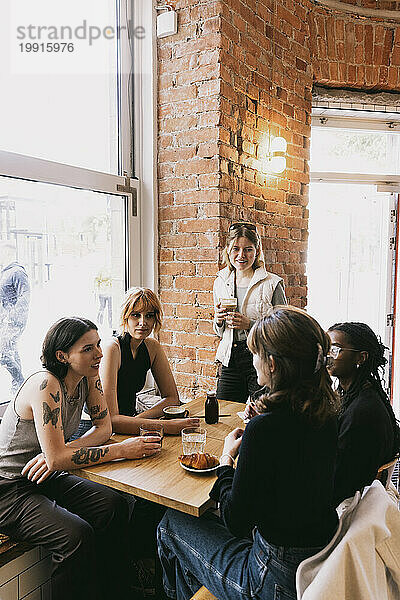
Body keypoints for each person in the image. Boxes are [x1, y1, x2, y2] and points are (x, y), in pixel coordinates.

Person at [158, 306, 340, 600]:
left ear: (271, 363)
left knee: (171, 522)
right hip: (315, 561)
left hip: (270, 578)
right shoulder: (325, 413)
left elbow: (235, 520)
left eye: (254, 353)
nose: (250, 361)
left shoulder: (266, 430)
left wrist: (226, 463)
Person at [0, 317, 162, 600]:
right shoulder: (46, 384)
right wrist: (121, 450)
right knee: (75, 536)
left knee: (114, 504)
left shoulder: (89, 377)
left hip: (45, 476)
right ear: (62, 356)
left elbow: (104, 428)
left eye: (98, 345)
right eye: (88, 349)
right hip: (9, 489)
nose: (99, 353)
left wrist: (60, 453)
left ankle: (115, 592)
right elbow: (60, 457)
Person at [100, 287, 199, 435]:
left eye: (149, 316)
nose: (143, 322)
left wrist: (138, 421)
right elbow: (112, 420)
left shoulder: (152, 347)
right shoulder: (112, 348)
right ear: (125, 317)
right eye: (135, 315)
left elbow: (172, 398)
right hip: (97, 428)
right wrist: (164, 426)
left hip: (129, 423)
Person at [327, 321, 400, 506]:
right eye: (326, 349)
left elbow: (339, 483)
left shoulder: (362, 412)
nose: (328, 357)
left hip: (349, 504)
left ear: (361, 358)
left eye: (335, 350)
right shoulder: (359, 393)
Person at [213, 222, 287, 403]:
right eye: (235, 249)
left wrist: (250, 325)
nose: (241, 255)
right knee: (224, 412)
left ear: (257, 250)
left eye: (248, 249)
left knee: (260, 413)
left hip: (262, 358)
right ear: (228, 250)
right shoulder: (220, 282)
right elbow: (220, 333)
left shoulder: (272, 283)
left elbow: (284, 330)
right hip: (230, 357)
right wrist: (218, 321)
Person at [0, 241, 30, 395]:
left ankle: (19, 383)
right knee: (10, 352)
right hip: (5, 321)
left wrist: (13, 319)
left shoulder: (17, 272)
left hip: (13, 322)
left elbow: (24, 297)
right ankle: (18, 386)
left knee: (4, 353)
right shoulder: (5, 272)